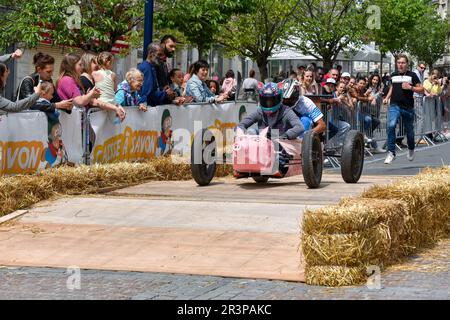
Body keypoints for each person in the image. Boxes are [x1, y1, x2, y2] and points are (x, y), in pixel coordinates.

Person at [238, 82, 304, 175]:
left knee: (278, 154)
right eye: (266, 100)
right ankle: (246, 164)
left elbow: (299, 127)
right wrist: (241, 134)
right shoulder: (259, 111)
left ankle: (274, 165)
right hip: (262, 147)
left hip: (280, 149)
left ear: (278, 98)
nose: (268, 103)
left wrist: (286, 135)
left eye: (272, 100)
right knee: (251, 131)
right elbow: (241, 125)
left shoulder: (286, 111)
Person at [383, 54, 424, 164]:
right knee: (391, 125)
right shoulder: (393, 75)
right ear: (396, 64)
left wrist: (410, 87)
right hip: (394, 105)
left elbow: (421, 89)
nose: (400, 65)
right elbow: (392, 87)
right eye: (399, 62)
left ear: (407, 64)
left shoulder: (412, 75)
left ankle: (411, 149)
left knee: (410, 132)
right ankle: (391, 152)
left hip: (408, 107)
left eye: (403, 63)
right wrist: (387, 98)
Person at [138, 42, 178, 106]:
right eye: (159, 54)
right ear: (151, 53)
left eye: (162, 55)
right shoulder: (146, 68)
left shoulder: (152, 67)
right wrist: (166, 94)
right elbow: (148, 94)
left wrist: (163, 90)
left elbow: (152, 90)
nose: (162, 57)